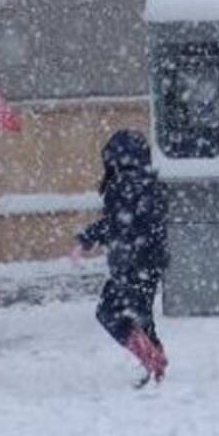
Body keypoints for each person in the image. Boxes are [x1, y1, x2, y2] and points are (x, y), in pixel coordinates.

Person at [74, 129, 169, 385]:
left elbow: (118, 224)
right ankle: (156, 362)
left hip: (130, 263)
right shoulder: (151, 184)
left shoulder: (122, 186)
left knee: (109, 313)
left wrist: (87, 238)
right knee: (140, 315)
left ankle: (152, 359)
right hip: (149, 262)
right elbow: (138, 224)